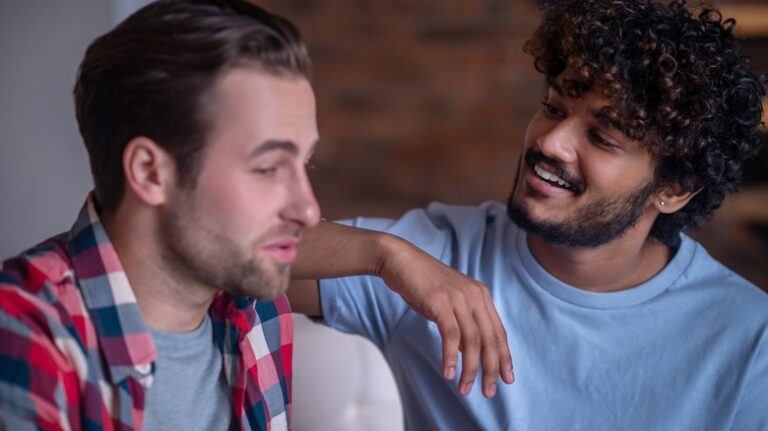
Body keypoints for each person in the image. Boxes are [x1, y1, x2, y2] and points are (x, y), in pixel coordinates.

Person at [0, 1, 511, 429]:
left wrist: (384, 253)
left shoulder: (255, 316)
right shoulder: (25, 333)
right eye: (268, 167)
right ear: (150, 173)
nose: (309, 208)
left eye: (303, 161)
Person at [288, 0, 768, 429]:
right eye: (555, 108)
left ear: (673, 190)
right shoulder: (440, 256)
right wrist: (381, 254)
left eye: (602, 138)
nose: (550, 142)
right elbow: (237, 260)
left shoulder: (749, 341)